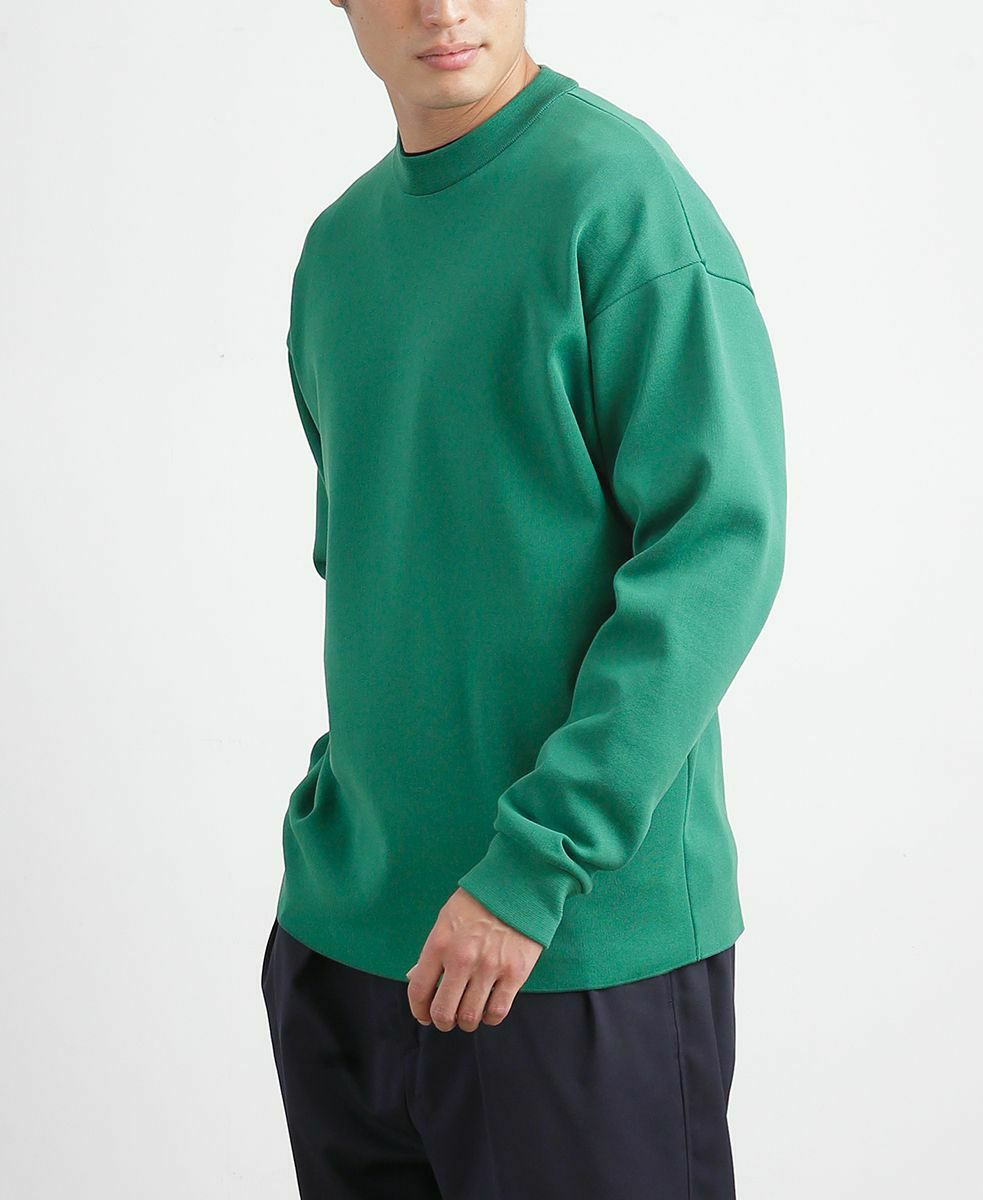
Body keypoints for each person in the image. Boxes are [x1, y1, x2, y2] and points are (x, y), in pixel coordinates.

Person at [260, 3, 787, 1197]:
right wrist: (331, 871)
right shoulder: (337, 253)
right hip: (346, 948)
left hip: (567, 950)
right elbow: (380, 572)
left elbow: (717, 549)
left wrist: (532, 867)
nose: (441, 6)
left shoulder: (619, 198)